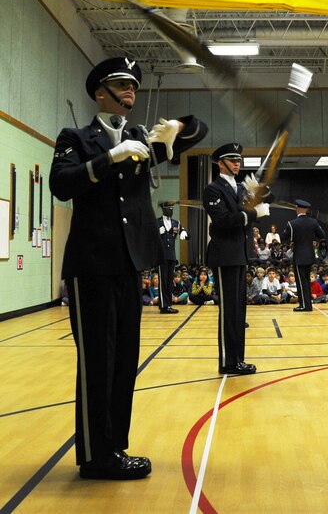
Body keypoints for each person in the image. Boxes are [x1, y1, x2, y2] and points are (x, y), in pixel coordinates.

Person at [49, 56, 207, 480]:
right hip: (92, 263)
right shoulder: (76, 137)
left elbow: (198, 130)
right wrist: (109, 159)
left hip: (131, 261)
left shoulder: (140, 139)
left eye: (133, 85)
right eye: (122, 84)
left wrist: (176, 130)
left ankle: (114, 447)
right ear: (100, 92)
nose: (130, 91)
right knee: (97, 360)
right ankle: (95, 456)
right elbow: (61, 184)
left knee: (124, 360)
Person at [203, 142, 271, 375]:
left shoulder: (240, 189)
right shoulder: (213, 189)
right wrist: (253, 213)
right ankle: (227, 361)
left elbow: (261, 202)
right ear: (220, 163)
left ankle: (237, 359)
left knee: (239, 311)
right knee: (228, 311)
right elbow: (223, 220)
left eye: (238, 160)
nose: (237, 163)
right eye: (232, 160)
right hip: (225, 255)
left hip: (240, 254)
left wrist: (262, 192)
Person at [282, 199, 325, 312]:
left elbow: (284, 237)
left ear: (297, 209)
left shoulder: (292, 223)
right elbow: (322, 235)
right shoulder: (313, 222)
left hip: (299, 256)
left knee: (301, 282)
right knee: (306, 281)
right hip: (310, 256)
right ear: (306, 210)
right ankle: (307, 304)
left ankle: (304, 305)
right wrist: (312, 238)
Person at [157, 202, 189, 314]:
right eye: (169, 209)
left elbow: (185, 232)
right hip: (161, 256)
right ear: (164, 210)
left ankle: (168, 304)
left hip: (171, 255)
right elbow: (149, 237)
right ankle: (163, 305)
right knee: (163, 281)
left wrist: (184, 233)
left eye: (172, 209)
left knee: (169, 281)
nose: (171, 211)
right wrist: (157, 233)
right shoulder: (157, 222)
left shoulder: (176, 222)